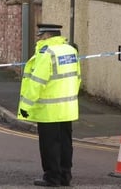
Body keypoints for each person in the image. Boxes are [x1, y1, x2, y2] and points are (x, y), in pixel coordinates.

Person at [18, 23, 81, 187]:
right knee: (66, 143)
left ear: (46, 35)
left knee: (50, 145)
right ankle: (65, 176)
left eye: (40, 36)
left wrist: (25, 107)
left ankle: (52, 177)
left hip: (49, 109)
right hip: (68, 108)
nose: (38, 39)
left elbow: (37, 83)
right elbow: (77, 78)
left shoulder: (47, 54)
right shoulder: (71, 51)